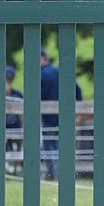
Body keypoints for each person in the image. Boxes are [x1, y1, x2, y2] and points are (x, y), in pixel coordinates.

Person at [40, 49, 82, 180]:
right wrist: (79, 109)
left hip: (48, 117)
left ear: (42, 58)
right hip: (65, 117)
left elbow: (39, 96)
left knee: (48, 147)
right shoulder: (61, 72)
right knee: (62, 147)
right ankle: (62, 174)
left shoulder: (42, 75)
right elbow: (77, 89)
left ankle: (51, 173)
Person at [4, 64, 23, 168]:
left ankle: (17, 166)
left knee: (18, 146)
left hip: (16, 125)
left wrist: (23, 124)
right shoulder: (1, 93)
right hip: (5, 125)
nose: (9, 80)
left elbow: (22, 112)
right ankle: (10, 166)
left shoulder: (17, 94)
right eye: (7, 78)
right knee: (8, 147)